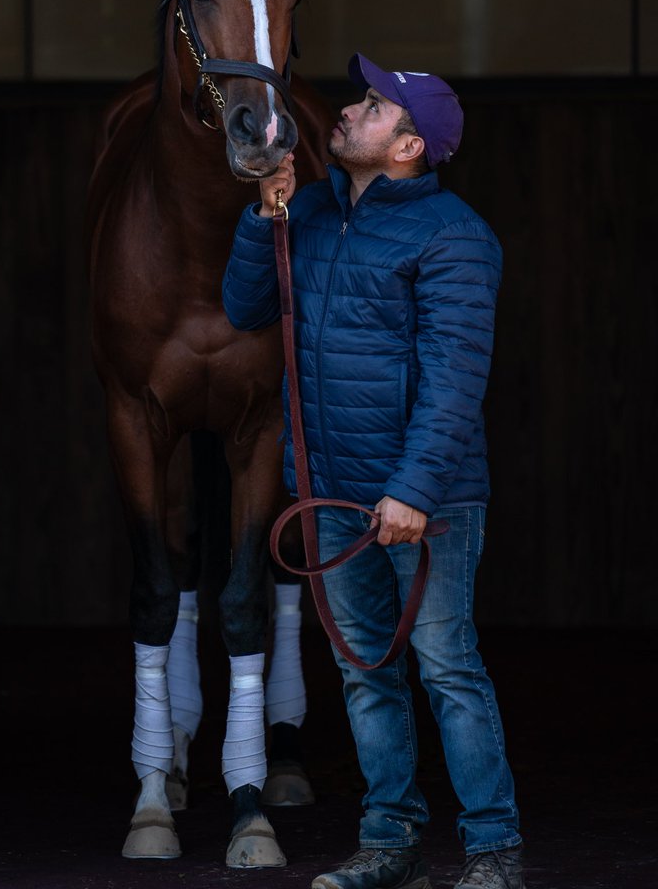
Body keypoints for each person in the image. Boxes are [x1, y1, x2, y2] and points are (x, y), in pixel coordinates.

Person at [222, 53, 525, 889]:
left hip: (426, 499)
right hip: (332, 493)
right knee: (364, 677)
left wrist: (414, 491)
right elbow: (246, 309)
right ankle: (389, 843)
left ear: (409, 145)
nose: (350, 112)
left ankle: (494, 851)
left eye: (372, 107)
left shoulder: (455, 237)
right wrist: (265, 217)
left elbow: (457, 378)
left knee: (449, 671)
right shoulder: (312, 211)